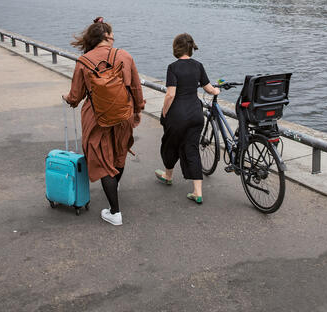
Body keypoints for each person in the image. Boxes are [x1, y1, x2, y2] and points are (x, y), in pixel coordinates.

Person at [62, 17, 145, 226]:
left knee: (103, 161)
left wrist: (67, 98)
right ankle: (114, 187)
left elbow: (75, 96)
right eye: (112, 35)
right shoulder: (125, 56)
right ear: (106, 36)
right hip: (123, 114)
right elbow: (136, 88)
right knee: (119, 154)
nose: (114, 38)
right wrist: (138, 110)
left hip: (96, 118)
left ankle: (115, 212)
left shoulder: (83, 61)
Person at [157, 33, 220, 204]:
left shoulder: (173, 67)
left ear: (176, 48)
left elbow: (170, 94)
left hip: (177, 115)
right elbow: (209, 88)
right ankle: (197, 192)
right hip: (196, 114)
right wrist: (217, 91)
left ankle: (168, 176)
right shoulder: (198, 66)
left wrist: (164, 112)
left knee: (169, 145)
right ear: (191, 48)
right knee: (192, 149)